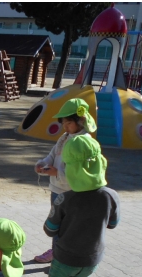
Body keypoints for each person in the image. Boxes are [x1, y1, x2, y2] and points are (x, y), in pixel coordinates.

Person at [24, 135, 120, 277]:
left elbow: (50, 229)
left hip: (65, 258)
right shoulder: (111, 195)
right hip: (92, 259)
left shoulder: (65, 198)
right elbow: (113, 223)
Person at [33, 98, 96, 264]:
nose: (65, 127)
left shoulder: (84, 142)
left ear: (80, 120)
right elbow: (53, 155)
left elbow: (80, 171)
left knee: (69, 227)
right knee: (56, 224)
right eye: (63, 123)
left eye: (69, 123)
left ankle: (62, 257)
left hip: (72, 192)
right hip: (56, 189)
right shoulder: (64, 137)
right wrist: (42, 163)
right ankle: (56, 251)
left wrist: (57, 172)